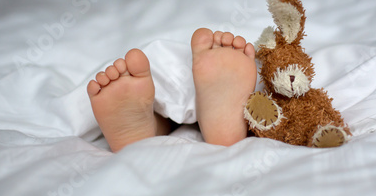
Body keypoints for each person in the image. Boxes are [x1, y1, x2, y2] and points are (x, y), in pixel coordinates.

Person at [87, 28, 257, 152]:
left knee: (163, 106)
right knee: (155, 105)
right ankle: (224, 125)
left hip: (166, 76)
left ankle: (147, 133)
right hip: (216, 75)